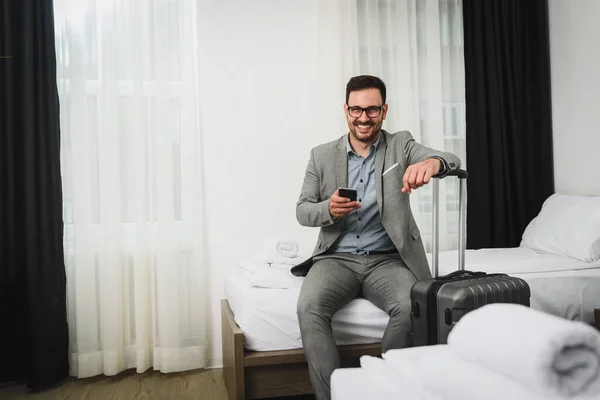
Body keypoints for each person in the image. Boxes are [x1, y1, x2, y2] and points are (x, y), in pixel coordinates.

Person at [290, 75, 461, 400]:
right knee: (309, 307)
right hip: (335, 259)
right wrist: (330, 208)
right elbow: (302, 211)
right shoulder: (321, 155)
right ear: (345, 110)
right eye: (356, 109)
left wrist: (431, 163)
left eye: (371, 110)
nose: (363, 117)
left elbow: (452, 159)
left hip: (387, 260)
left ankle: (385, 390)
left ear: (384, 111)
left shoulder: (401, 144)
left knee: (411, 306)